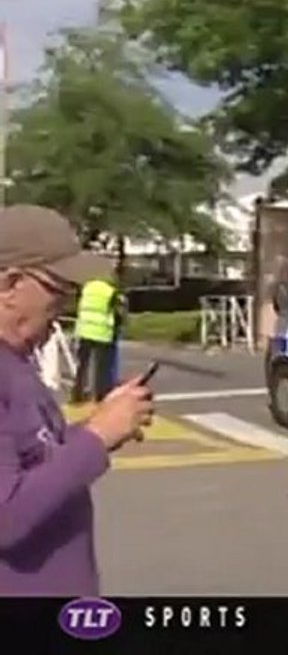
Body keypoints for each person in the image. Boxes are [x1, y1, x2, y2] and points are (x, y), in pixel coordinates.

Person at [0, 204, 154, 595]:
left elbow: (32, 454)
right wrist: (98, 437)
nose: (66, 305)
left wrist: (102, 424)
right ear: (10, 285)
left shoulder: (14, 360)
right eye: (60, 289)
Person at [70, 276, 124, 404]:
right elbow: (119, 312)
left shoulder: (87, 288)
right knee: (101, 368)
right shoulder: (111, 292)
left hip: (84, 330)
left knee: (82, 366)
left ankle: (77, 395)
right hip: (102, 332)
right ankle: (101, 396)